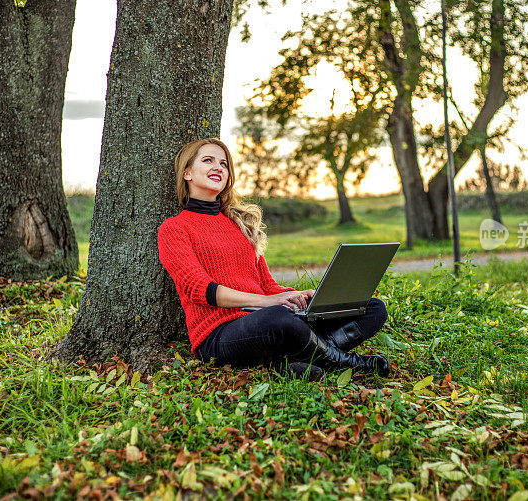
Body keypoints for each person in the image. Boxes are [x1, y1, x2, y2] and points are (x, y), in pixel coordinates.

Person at [157, 138, 390, 380]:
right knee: (278, 317)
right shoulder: (174, 228)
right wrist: (267, 303)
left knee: (372, 308)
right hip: (220, 335)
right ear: (187, 173)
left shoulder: (239, 224)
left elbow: (268, 286)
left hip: (267, 320)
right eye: (208, 160)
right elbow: (199, 290)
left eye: (224, 164)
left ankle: (289, 360)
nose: (218, 167)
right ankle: (343, 362)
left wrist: (296, 296)